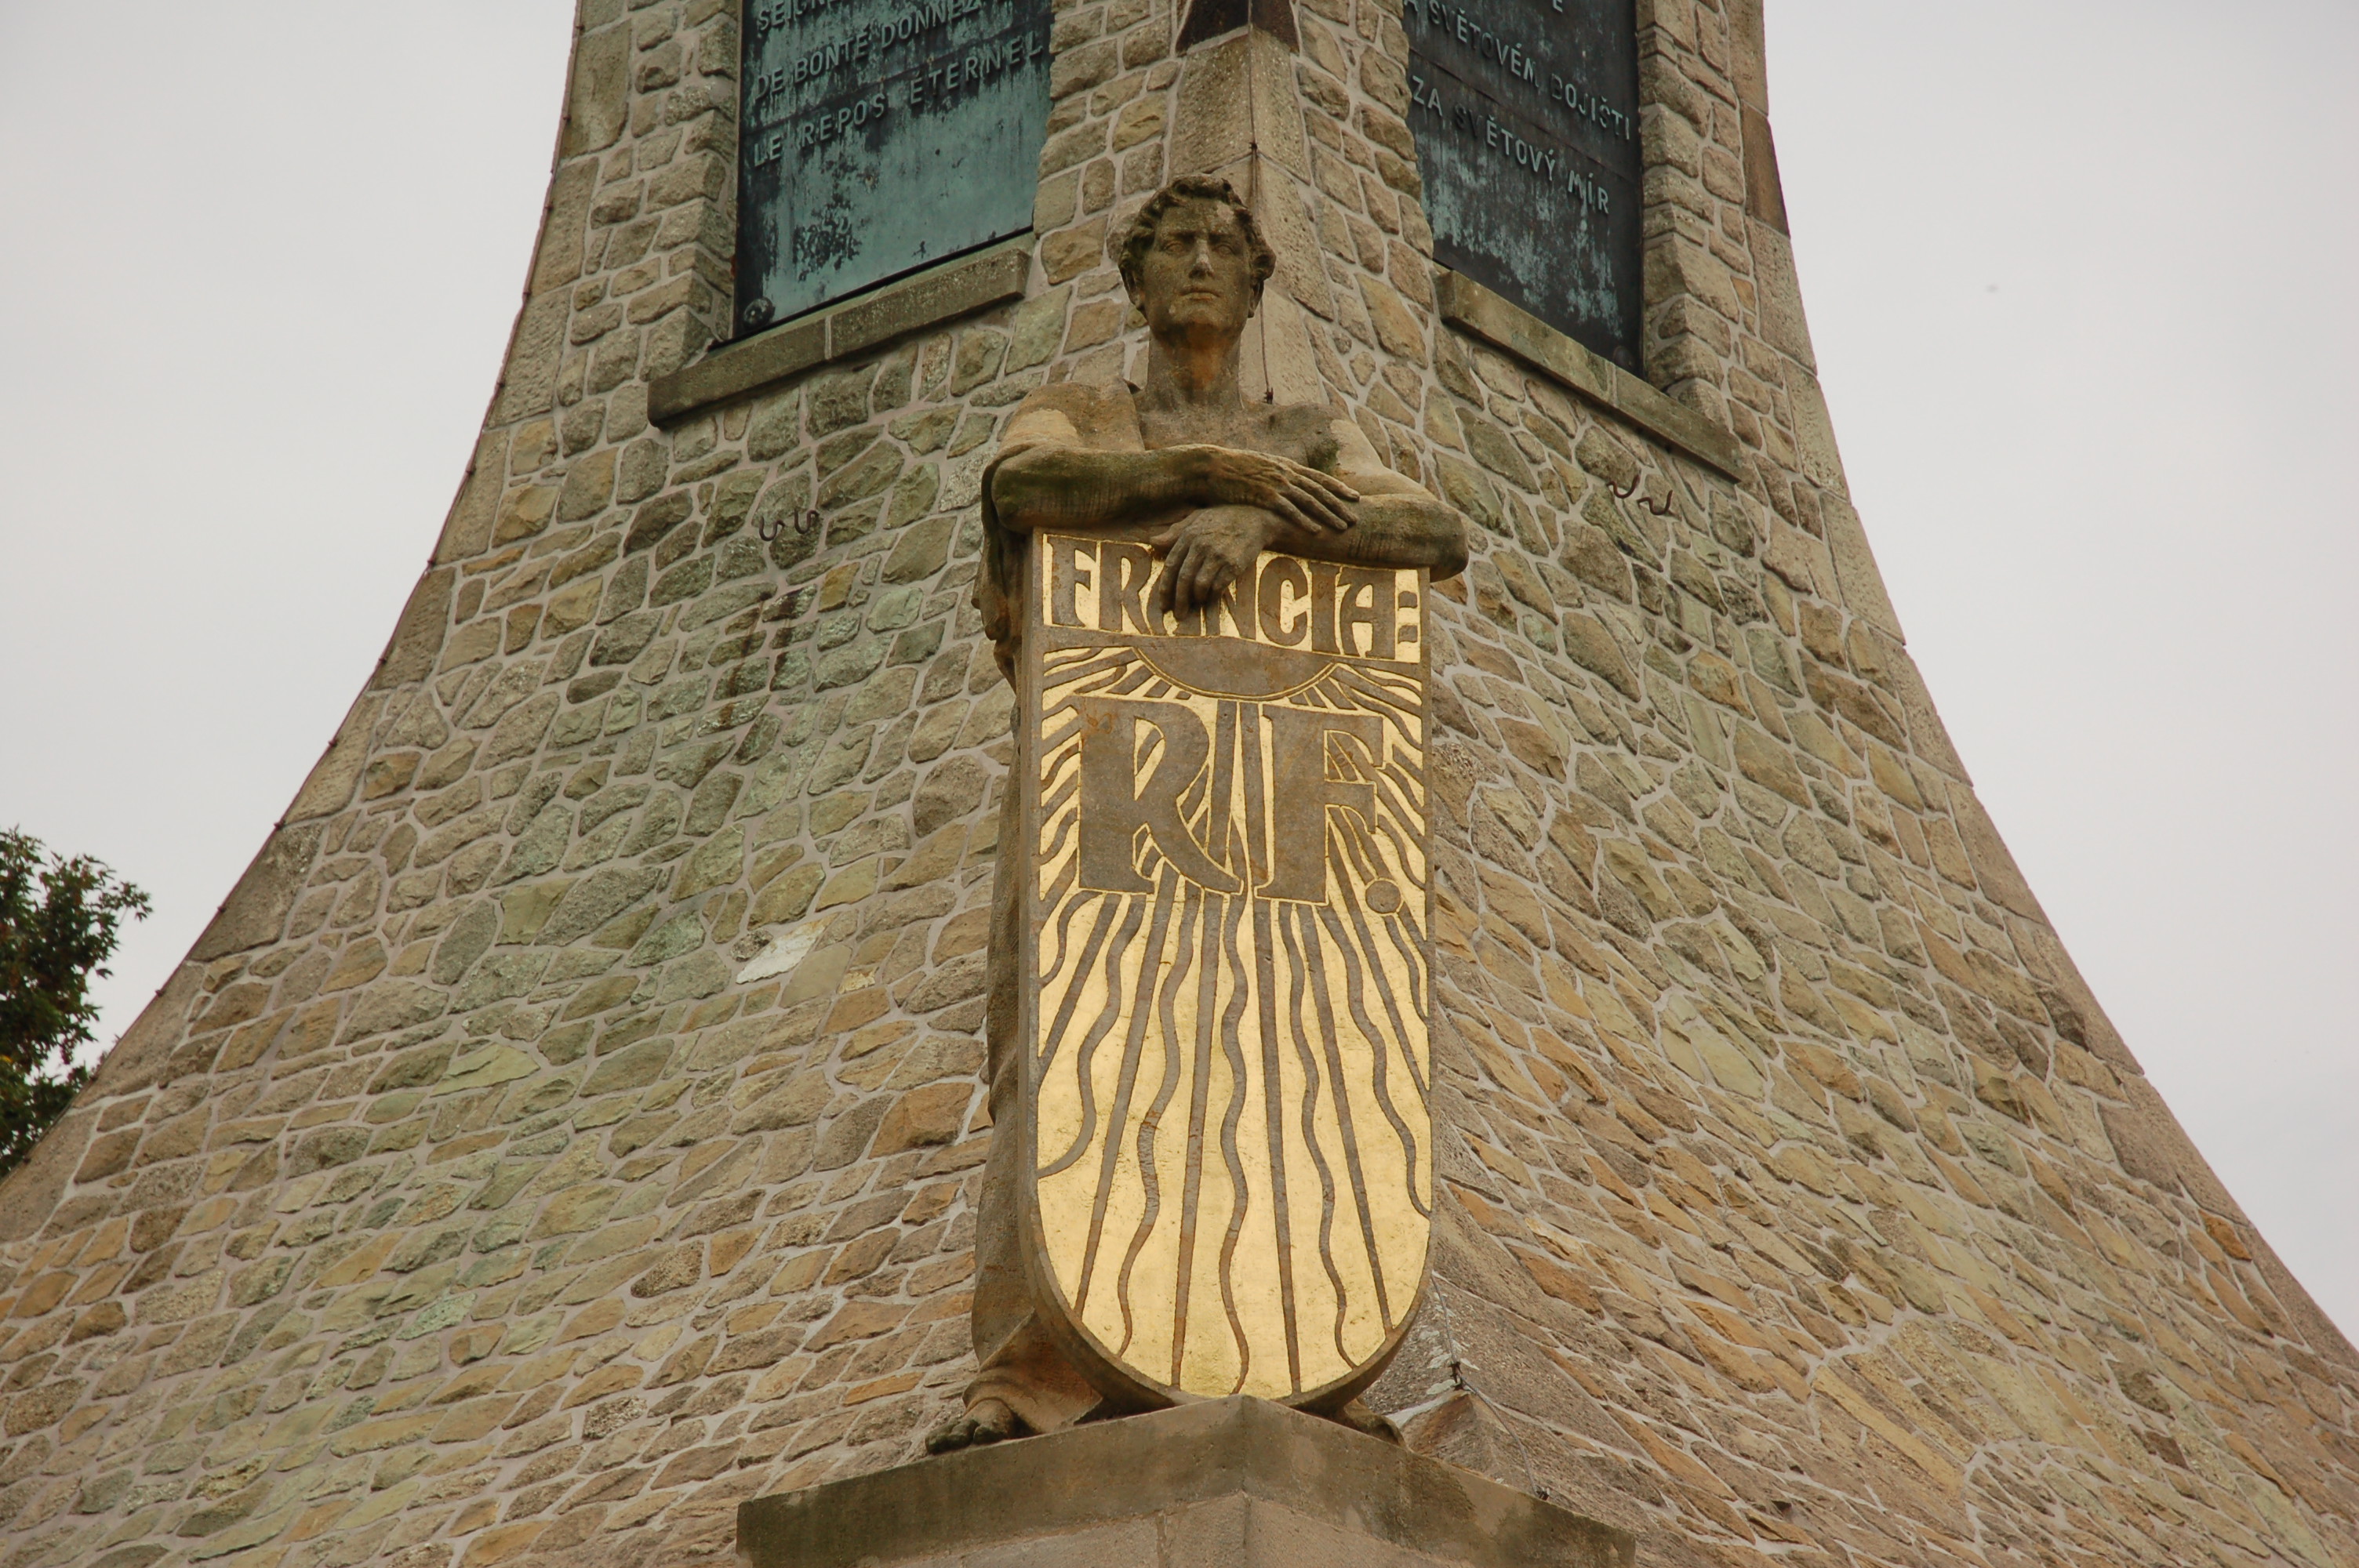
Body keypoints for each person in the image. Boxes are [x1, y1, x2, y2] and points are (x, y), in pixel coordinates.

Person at [929, 175, 1466, 1453]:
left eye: (1225, 245)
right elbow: (1024, 489)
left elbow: (1430, 529)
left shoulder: (1313, 436)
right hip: (1100, 792)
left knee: (1292, 1057)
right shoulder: (1081, 415)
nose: (1201, 262)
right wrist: (1201, 469)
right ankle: (1026, 1374)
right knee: (1052, 1052)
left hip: (1282, 805)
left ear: (1256, 281)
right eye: (1175, 244)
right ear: (1136, 279)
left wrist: (1258, 512)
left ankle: (1302, 1360)